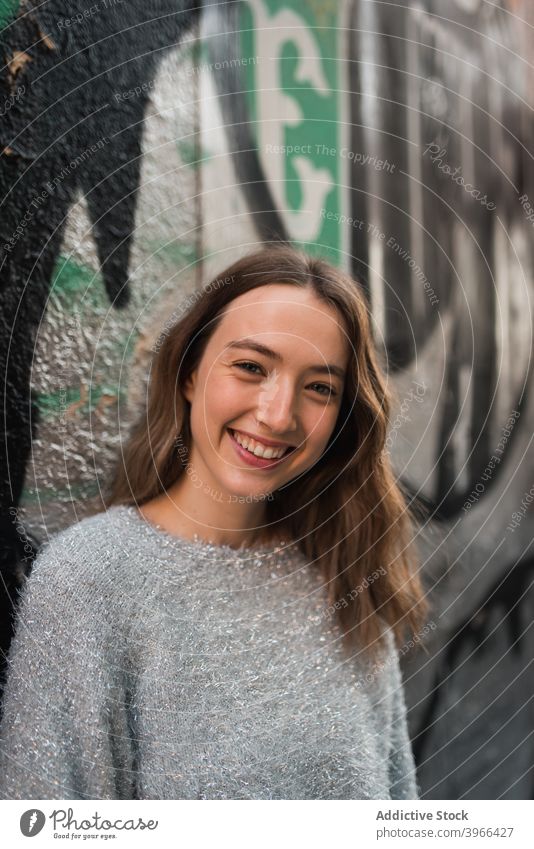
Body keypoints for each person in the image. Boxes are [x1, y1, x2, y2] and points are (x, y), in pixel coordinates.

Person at [0, 244, 428, 800]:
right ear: (189, 373)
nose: (278, 415)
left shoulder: (343, 567)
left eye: (320, 387)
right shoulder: (89, 580)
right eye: (251, 367)